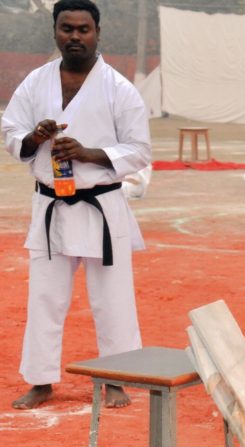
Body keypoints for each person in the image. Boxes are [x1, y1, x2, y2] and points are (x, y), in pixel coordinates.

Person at [1, 0, 150, 409]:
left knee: (113, 299)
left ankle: (117, 378)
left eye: (84, 29)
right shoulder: (35, 82)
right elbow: (11, 131)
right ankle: (41, 381)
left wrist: (89, 153)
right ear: (55, 31)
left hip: (101, 206)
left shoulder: (119, 88)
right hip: (51, 206)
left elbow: (139, 150)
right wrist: (34, 137)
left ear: (97, 33)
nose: (75, 36)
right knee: (45, 298)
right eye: (67, 28)